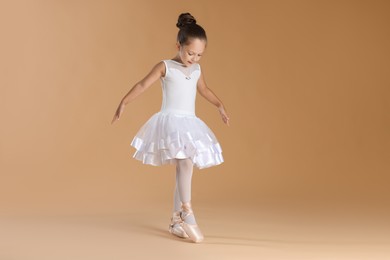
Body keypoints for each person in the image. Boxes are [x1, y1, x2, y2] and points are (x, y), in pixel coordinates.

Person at [111, 12, 230, 243]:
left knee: (185, 168)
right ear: (178, 45)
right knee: (184, 162)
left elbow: (204, 90)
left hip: (190, 123)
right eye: (190, 53)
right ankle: (188, 212)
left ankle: (176, 221)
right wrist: (124, 102)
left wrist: (220, 105)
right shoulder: (165, 66)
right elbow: (143, 84)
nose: (194, 58)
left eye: (199, 55)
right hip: (170, 121)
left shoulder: (196, 70)